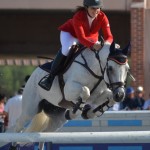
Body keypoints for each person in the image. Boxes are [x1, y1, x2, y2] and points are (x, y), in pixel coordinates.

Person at [39, 0, 113, 91]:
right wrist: (93, 44)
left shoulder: (103, 17)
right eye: (92, 8)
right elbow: (81, 38)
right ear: (86, 8)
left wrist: (107, 44)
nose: (95, 11)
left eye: (97, 8)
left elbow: (109, 36)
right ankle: (50, 78)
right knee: (67, 49)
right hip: (71, 34)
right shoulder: (79, 16)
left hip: (90, 37)